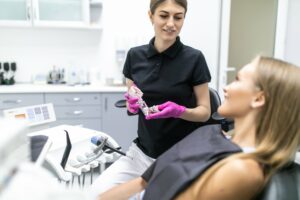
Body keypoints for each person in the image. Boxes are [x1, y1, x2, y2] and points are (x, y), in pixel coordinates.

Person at [99, 56, 300, 200]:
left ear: (258, 99)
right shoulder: (213, 136)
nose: (226, 88)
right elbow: (146, 182)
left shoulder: (242, 169)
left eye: (238, 79)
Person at [90, 0, 212, 195]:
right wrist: (131, 106)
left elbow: (205, 112)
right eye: (164, 15)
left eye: (178, 17)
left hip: (179, 157)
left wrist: (180, 111)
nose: (171, 23)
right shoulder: (134, 56)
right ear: (151, 16)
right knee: (96, 193)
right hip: (140, 154)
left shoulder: (194, 59)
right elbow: (133, 104)